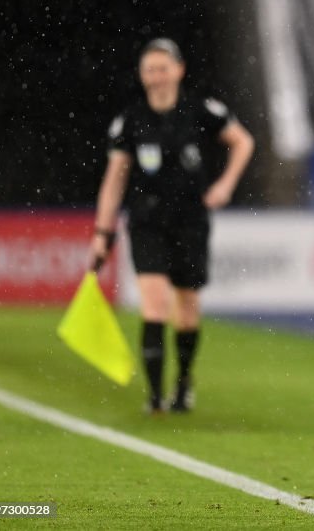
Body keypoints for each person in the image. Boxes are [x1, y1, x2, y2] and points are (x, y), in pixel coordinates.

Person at [89, 38, 254, 414]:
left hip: (191, 220)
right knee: (155, 302)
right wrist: (102, 233)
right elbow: (115, 178)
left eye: (163, 68)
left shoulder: (200, 110)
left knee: (187, 303)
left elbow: (243, 142)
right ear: (141, 75)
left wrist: (225, 186)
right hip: (147, 221)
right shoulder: (130, 120)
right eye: (149, 69)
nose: (156, 76)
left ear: (179, 70)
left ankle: (182, 384)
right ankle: (155, 396)